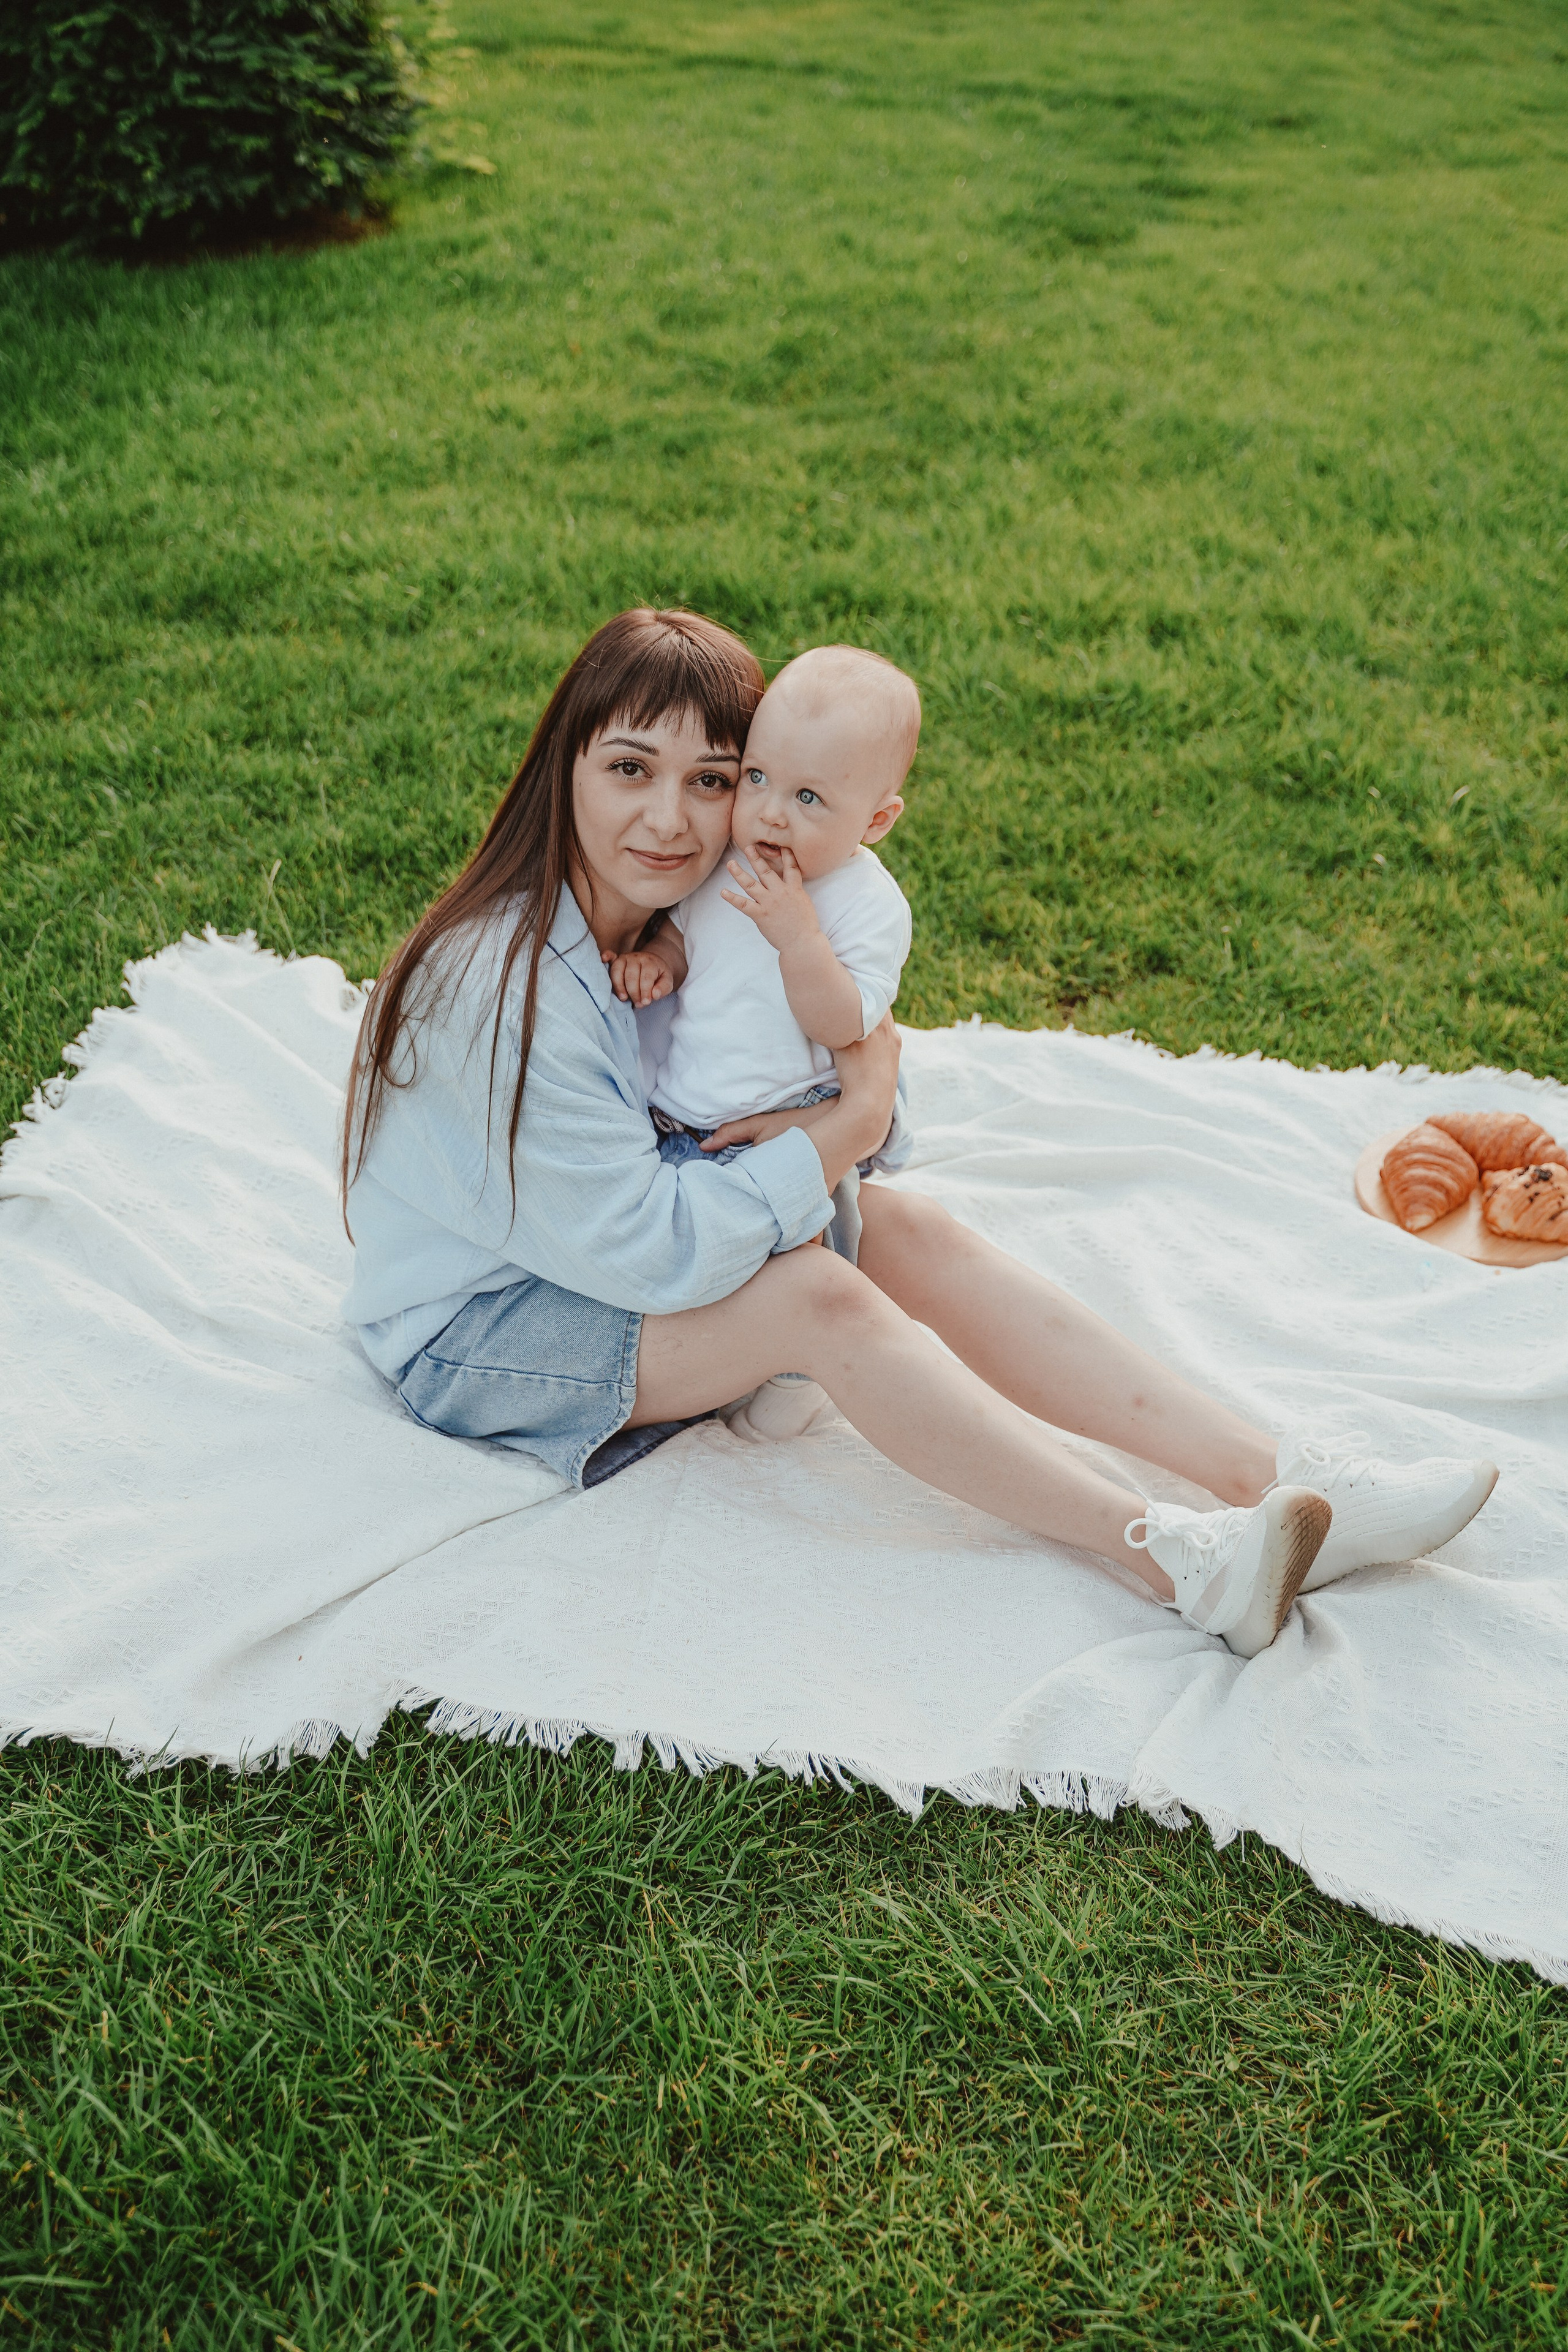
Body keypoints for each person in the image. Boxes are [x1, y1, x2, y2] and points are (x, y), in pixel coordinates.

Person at [341, 607, 1498, 1660]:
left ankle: (1283, 1481)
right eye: (631, 769)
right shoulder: (507, 987)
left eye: (714, 778)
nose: (673, 817)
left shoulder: (668, 917)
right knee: (822, 1299)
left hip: (604, 1242)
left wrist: (846, 1123)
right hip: (483, 1330)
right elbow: (653, 1247)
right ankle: (1182, 1562)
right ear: (565, 766)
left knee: (901, 1229)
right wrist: (844, 1129)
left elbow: (827, 1091)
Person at [605, 641, 920, 1439]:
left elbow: (845, 1023)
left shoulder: (863, 905)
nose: (773, 812)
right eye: (758, 779)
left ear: (876, 819)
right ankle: (721, 1358)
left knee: (800, 1253)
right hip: (683, 1115)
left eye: (811, 797)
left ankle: (795, 1369)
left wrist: (797, 938)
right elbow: (688, 938)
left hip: (794, 1119)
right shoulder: (728, 862)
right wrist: (656, 965)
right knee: (702, 1260)